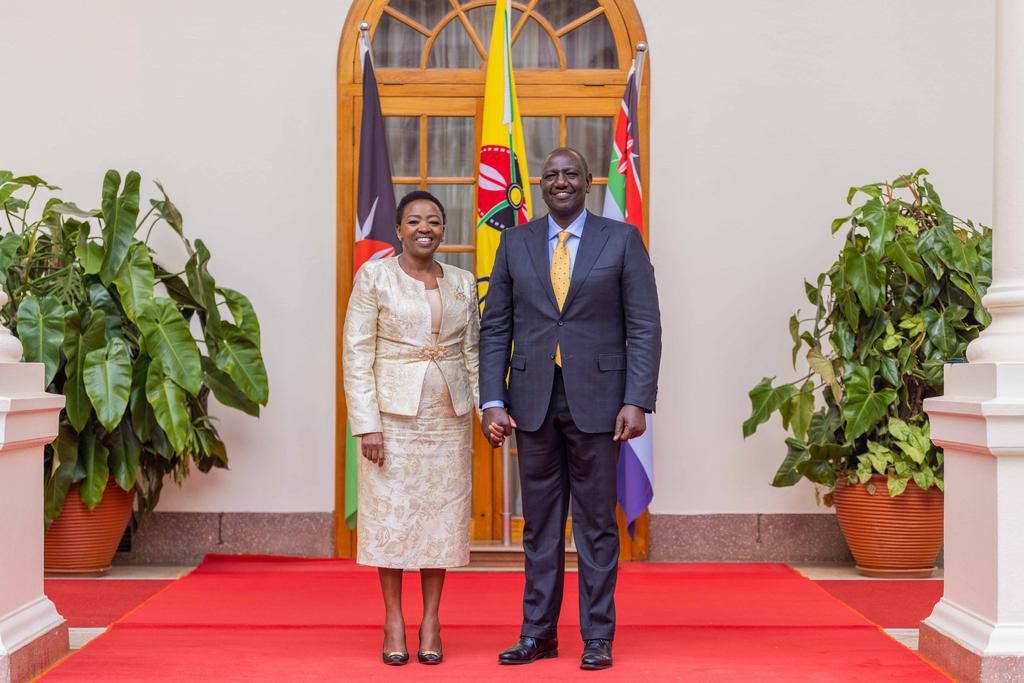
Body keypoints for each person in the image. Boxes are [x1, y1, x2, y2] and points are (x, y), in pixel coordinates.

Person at [479, 147, 662, 671]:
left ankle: (597, 637)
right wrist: (493, 398)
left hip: (602, 404)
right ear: (540, 185)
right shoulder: (515, 244)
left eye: (570, 174)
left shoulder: (621, 240)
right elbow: (496, 327)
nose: (560, 182)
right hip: (531, 402)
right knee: (538, 526)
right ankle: (537, 634)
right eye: (551, 175)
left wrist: (637, 399)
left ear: (588, 182)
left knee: (596, 525)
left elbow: (644, 325)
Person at [343, 190, 479, 667]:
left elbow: (473, 353)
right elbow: (356, 353)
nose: (426, 228)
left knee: (439, 519)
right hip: (391, 420)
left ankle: (432, 620)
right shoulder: (375, 276)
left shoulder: (463, 283)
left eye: (435, 221)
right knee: (392, 520)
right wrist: (367, 426)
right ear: (399, 229)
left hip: (448, 419)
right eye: (416, 220)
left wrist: (489, 409)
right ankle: (394, 619)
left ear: (444, 229)